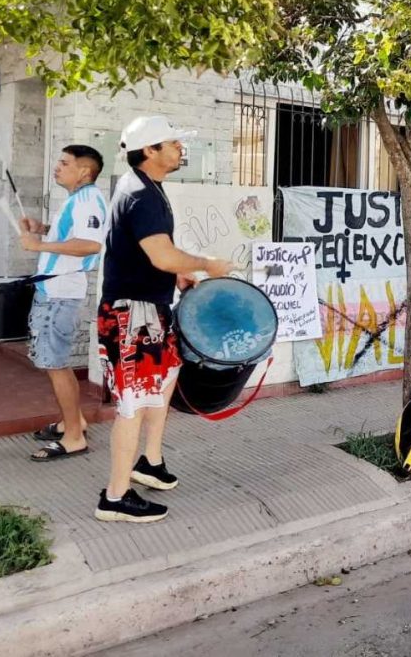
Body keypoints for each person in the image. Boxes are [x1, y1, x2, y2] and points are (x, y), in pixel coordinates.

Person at [95, 116, 234, 523]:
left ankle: (149, 463)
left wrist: (177, 272)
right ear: (150, 150)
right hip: (132, 315)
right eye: (172, 143)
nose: (180, 149)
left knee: (164, 382)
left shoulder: (145, 189)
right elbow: (159, 253)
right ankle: (115, 498)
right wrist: (207, 264)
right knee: (132, 405)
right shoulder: (140, 193)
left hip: (147, 309)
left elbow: (151, 253)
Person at [20, 145, 108, 462]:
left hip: (59, 294)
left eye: (64, 163)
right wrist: (43, 229)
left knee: (56, 365)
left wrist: (39, 243)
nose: (57, 167)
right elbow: (72, 235)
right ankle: (73, 422)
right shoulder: (76, 200)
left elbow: (89, 244)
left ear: (84, 170)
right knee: (55, 363)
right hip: (52, 291)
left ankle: (74, 437)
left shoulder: (87, 200)